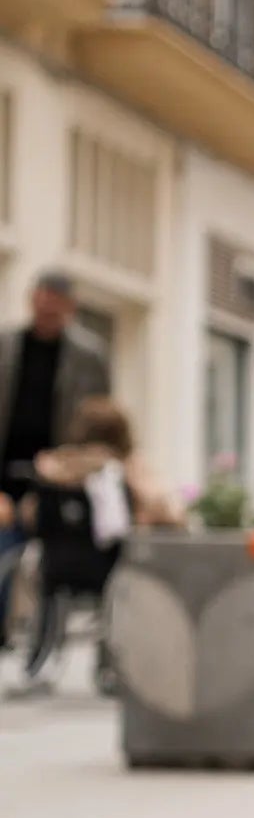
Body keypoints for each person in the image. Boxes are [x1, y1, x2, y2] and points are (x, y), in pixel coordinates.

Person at [16, 396, 177, 693]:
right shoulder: (126, 470)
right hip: (109, 568)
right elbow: (163, 511)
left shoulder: (54, 467)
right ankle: (114, 665)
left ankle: (39, 660)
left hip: (55, 568)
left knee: (41, 573)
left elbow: (29, 515)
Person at [0, 273, 108, 645]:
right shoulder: (6, 345)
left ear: (69, 308)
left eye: (55, 303)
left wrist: (69, 469)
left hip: (60, 478)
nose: (46, 309)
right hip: (6, 473)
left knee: (55, 563)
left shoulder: (89, 356)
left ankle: (44, 637)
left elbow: (97, 422)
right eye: (41, 300)